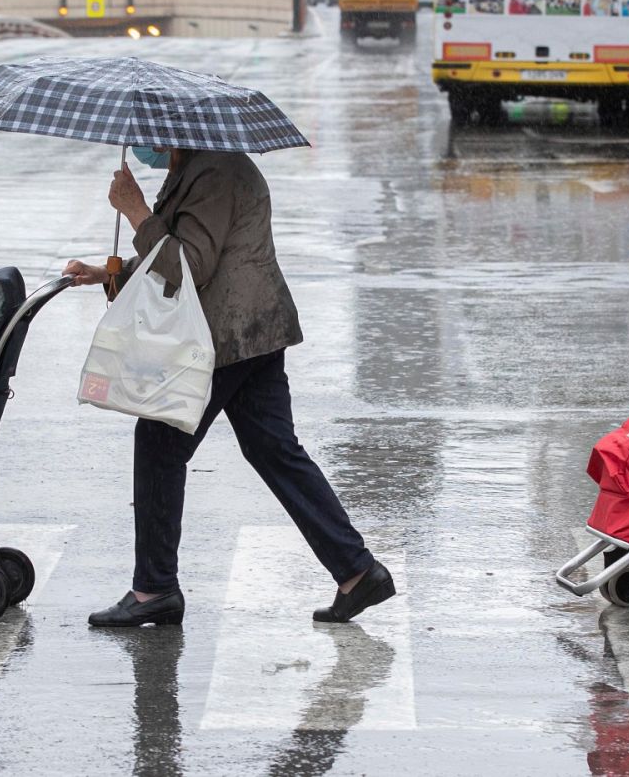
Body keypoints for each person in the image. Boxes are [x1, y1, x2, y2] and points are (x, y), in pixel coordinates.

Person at [63, 147, 395, 628]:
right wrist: (108, 273)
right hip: (251, 332)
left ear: (174, 132)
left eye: (151, 133)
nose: (143, 143)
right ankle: (357, 572)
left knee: (159, 444)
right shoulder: (195, 168)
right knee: (274, 451)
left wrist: (135, 211)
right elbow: (175, 251)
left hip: (226, 335)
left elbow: (191, 266)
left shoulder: (215, 171)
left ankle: (153, 588)